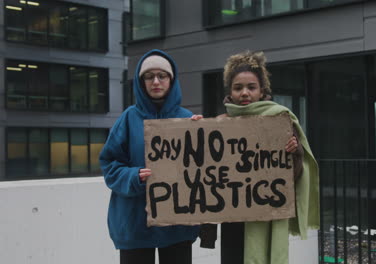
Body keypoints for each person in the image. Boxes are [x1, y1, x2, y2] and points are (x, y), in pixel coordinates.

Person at [199, 50, 320, 264]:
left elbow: (292, 176)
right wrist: (195, 132)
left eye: (251, 87)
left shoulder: (279, 119)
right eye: (238, 88)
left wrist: (295, 152)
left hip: (265, 213)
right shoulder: (220, 123)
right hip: (233, 218)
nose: (244, 93)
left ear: (262, 90)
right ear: (230, 91)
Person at [99, 49, 201, 264]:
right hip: (135, 221)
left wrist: (203, 133)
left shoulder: (188, 119)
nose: (156, 81)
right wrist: (133, 176)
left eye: (162, 76)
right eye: (149, 76)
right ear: (140, 81)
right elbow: (109, 163)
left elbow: (205, 168)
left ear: (171, 80)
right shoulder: (127, 119)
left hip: (178, 225)